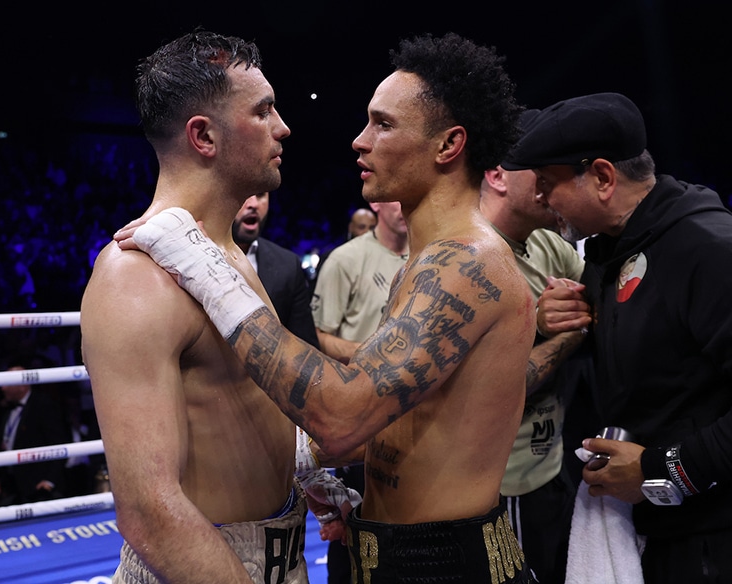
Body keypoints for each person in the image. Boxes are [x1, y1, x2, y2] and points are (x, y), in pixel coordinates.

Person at [122, 32, 536, 583]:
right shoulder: (429, 261)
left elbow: (341, 416)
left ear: (447, 145)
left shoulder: (467, 263)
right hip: (394, 548)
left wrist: (206, 271)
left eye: (383, 124)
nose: (359, 141)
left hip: (444, 564)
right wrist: (325, 479)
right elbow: (400, 418)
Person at [81, 28, 356, 584]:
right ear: (203, 136)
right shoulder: (137, 275)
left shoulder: (225, 256)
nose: (284, 127)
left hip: (281, 552)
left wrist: (297, 466)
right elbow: (150, 513)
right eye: (263, 112)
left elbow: (237, 411)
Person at [501, 91, 732, 583]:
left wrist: (660, 469)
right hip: (652, 526)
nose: (539, 198)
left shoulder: (709, 249)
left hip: (713, 536)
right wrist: (558, 318)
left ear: (603, 178)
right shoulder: (609, 247)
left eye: (547, 183)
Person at [479, 112, 588, 583]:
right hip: (500, 482)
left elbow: (598, 305)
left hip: (552, 462)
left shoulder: (547, 241)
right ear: (497, 174)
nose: (550, 183)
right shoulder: (469, 259)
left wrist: (578, 315)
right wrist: (554, 329)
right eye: (539, 170)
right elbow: (494, 389)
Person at [310, 200, 408, 583]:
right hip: (358, 422)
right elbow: (317, 335)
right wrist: (374, 356)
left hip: (409, 422)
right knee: (350, 545)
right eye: (394, 199)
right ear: (377, 203)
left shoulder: (429, 255)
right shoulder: (345, 259)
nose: (402, 207)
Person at [232, 192, 319, 347]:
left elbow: (306, 349)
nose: (254, 204)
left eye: (260, 194)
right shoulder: (192, 258)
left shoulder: (287, 265)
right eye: (245, 192)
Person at [0, 359, 69, 506]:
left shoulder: (44, 405)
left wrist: (49, 481)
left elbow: (59, 442)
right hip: (12, 487)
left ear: (22, 385)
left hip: (39, 488)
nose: (2, 388)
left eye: (7, 383)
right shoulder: (5, 408)